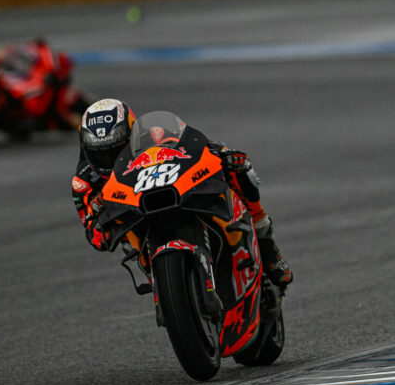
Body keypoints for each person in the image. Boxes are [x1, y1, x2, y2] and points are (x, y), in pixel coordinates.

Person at [71, 98, 293, 290]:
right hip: (137, 223)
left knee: (238, 168)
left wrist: (221, 154)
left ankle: (264, 236)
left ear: (131, 135)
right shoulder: (84, 181)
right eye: (100, 154)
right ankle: (166, 288)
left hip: (172, 189)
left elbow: (194, 145)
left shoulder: (153, 135)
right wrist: (100, 213)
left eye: (116, 149)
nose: (109, 160)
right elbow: (98, 240)